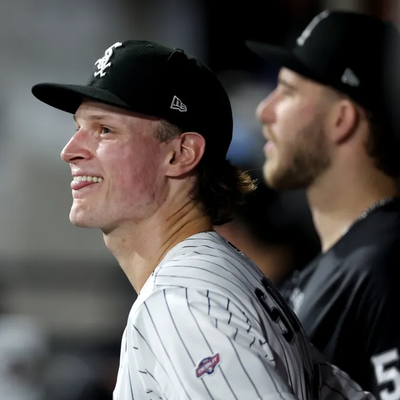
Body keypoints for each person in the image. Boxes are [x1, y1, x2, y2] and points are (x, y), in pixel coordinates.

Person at [32, 39, 373, 400]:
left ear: (181, 154)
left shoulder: (182, 299)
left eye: (105, 130)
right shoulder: (215, 276)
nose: (70, 151)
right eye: (78, 127)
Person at [248, 9, 400, 399]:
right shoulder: (341, 263)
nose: (265, 111)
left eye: (288, 91)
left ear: (341, 119)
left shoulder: (387, 262)